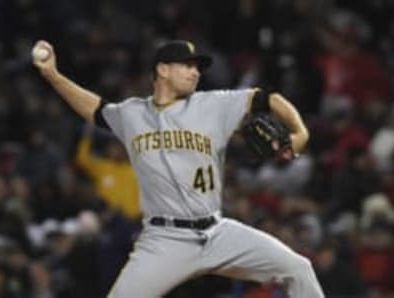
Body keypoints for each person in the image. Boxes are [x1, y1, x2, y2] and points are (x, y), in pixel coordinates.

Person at [32, 39, 324, 298]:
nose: (195, 72)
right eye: (186, 65)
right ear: (162, 69)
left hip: (217, 232)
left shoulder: (213, 104)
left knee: (298, 269)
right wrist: (52, 75)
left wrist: (300, 133)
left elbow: (268, 98)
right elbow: (93, 108)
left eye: (197, 67)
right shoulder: (131, 114)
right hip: (164, 240)